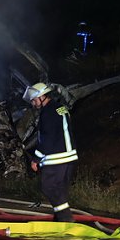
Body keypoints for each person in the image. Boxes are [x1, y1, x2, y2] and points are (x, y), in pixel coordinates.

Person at [23, 82, 78, 222]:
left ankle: (65, 217)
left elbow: (47, 138)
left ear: (42, 97)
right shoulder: (60, 108)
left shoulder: (47, 113)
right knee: (60, 190)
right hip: (69, 157)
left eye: (34, 100)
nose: (34, 103)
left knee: (48, 187)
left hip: (56, 158)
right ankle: (60, 218)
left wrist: (36, 159)